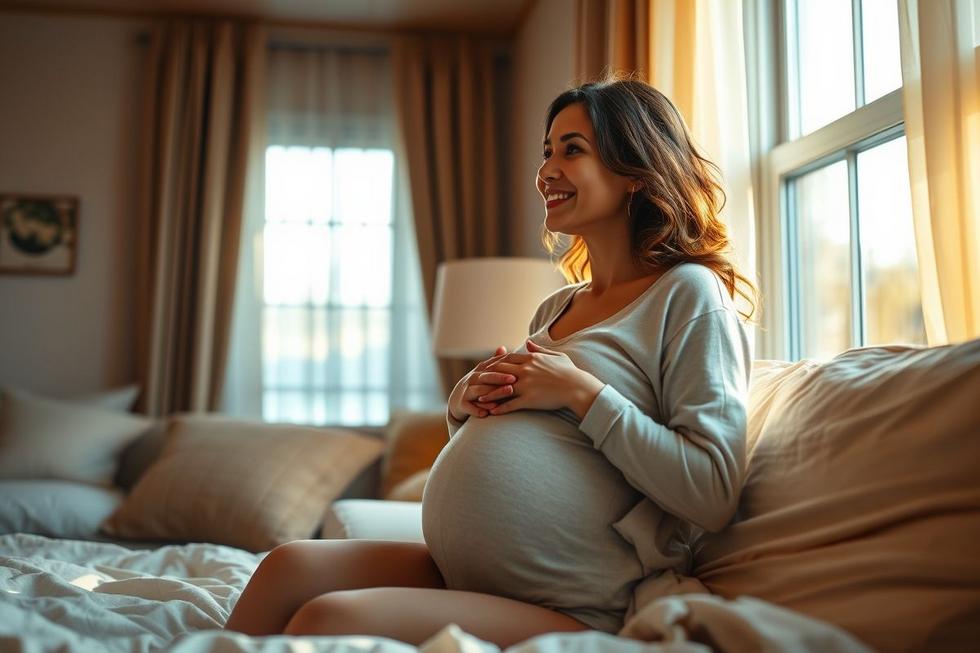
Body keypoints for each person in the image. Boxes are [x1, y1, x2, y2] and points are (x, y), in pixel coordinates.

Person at [224, 77, 757, 646]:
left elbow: (711, 490)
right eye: (547, 152)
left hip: (578, 603)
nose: (546, 171)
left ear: (635, 174)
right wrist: (465, 409)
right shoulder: (557, 306)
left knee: (329, 621)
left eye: (572, 150)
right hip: (472, 574)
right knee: (287, 567)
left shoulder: (687, 293)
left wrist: (583, 394)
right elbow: (540, 448)